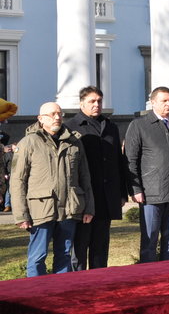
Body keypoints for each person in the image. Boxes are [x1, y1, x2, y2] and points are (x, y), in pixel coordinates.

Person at [11, 102, 95, 277]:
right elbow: (18, 180)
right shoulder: (28, 143)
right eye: (52, 114)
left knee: (64, 255)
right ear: (40, 119)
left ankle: (61, 292)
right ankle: (35, 291)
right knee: (37, 256)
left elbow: (85, 177)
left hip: (69, 209)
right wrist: (21, 214)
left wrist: (89, 207)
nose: (57, 117)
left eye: (60, 114)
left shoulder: (74, 142)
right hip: (40, 209)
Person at [125, 86, 169, 263]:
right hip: (150, 193)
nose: (168, 104)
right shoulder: (139, 125)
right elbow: (130, 160)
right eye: (164, 101)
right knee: (149, 241)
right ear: (153, 102)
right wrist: (135, 189)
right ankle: (149, 275)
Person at [64, 86, 128, 270]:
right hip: (83, 195)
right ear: (81, 103)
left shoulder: (110, 126)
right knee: (80, 245)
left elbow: (118, 161)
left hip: (106, 196)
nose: (96, 104)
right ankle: (78, 281)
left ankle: (99, 279)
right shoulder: (70, 127)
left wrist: (122, 193)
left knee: (100, 247)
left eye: (99, 101)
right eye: (92, 101)